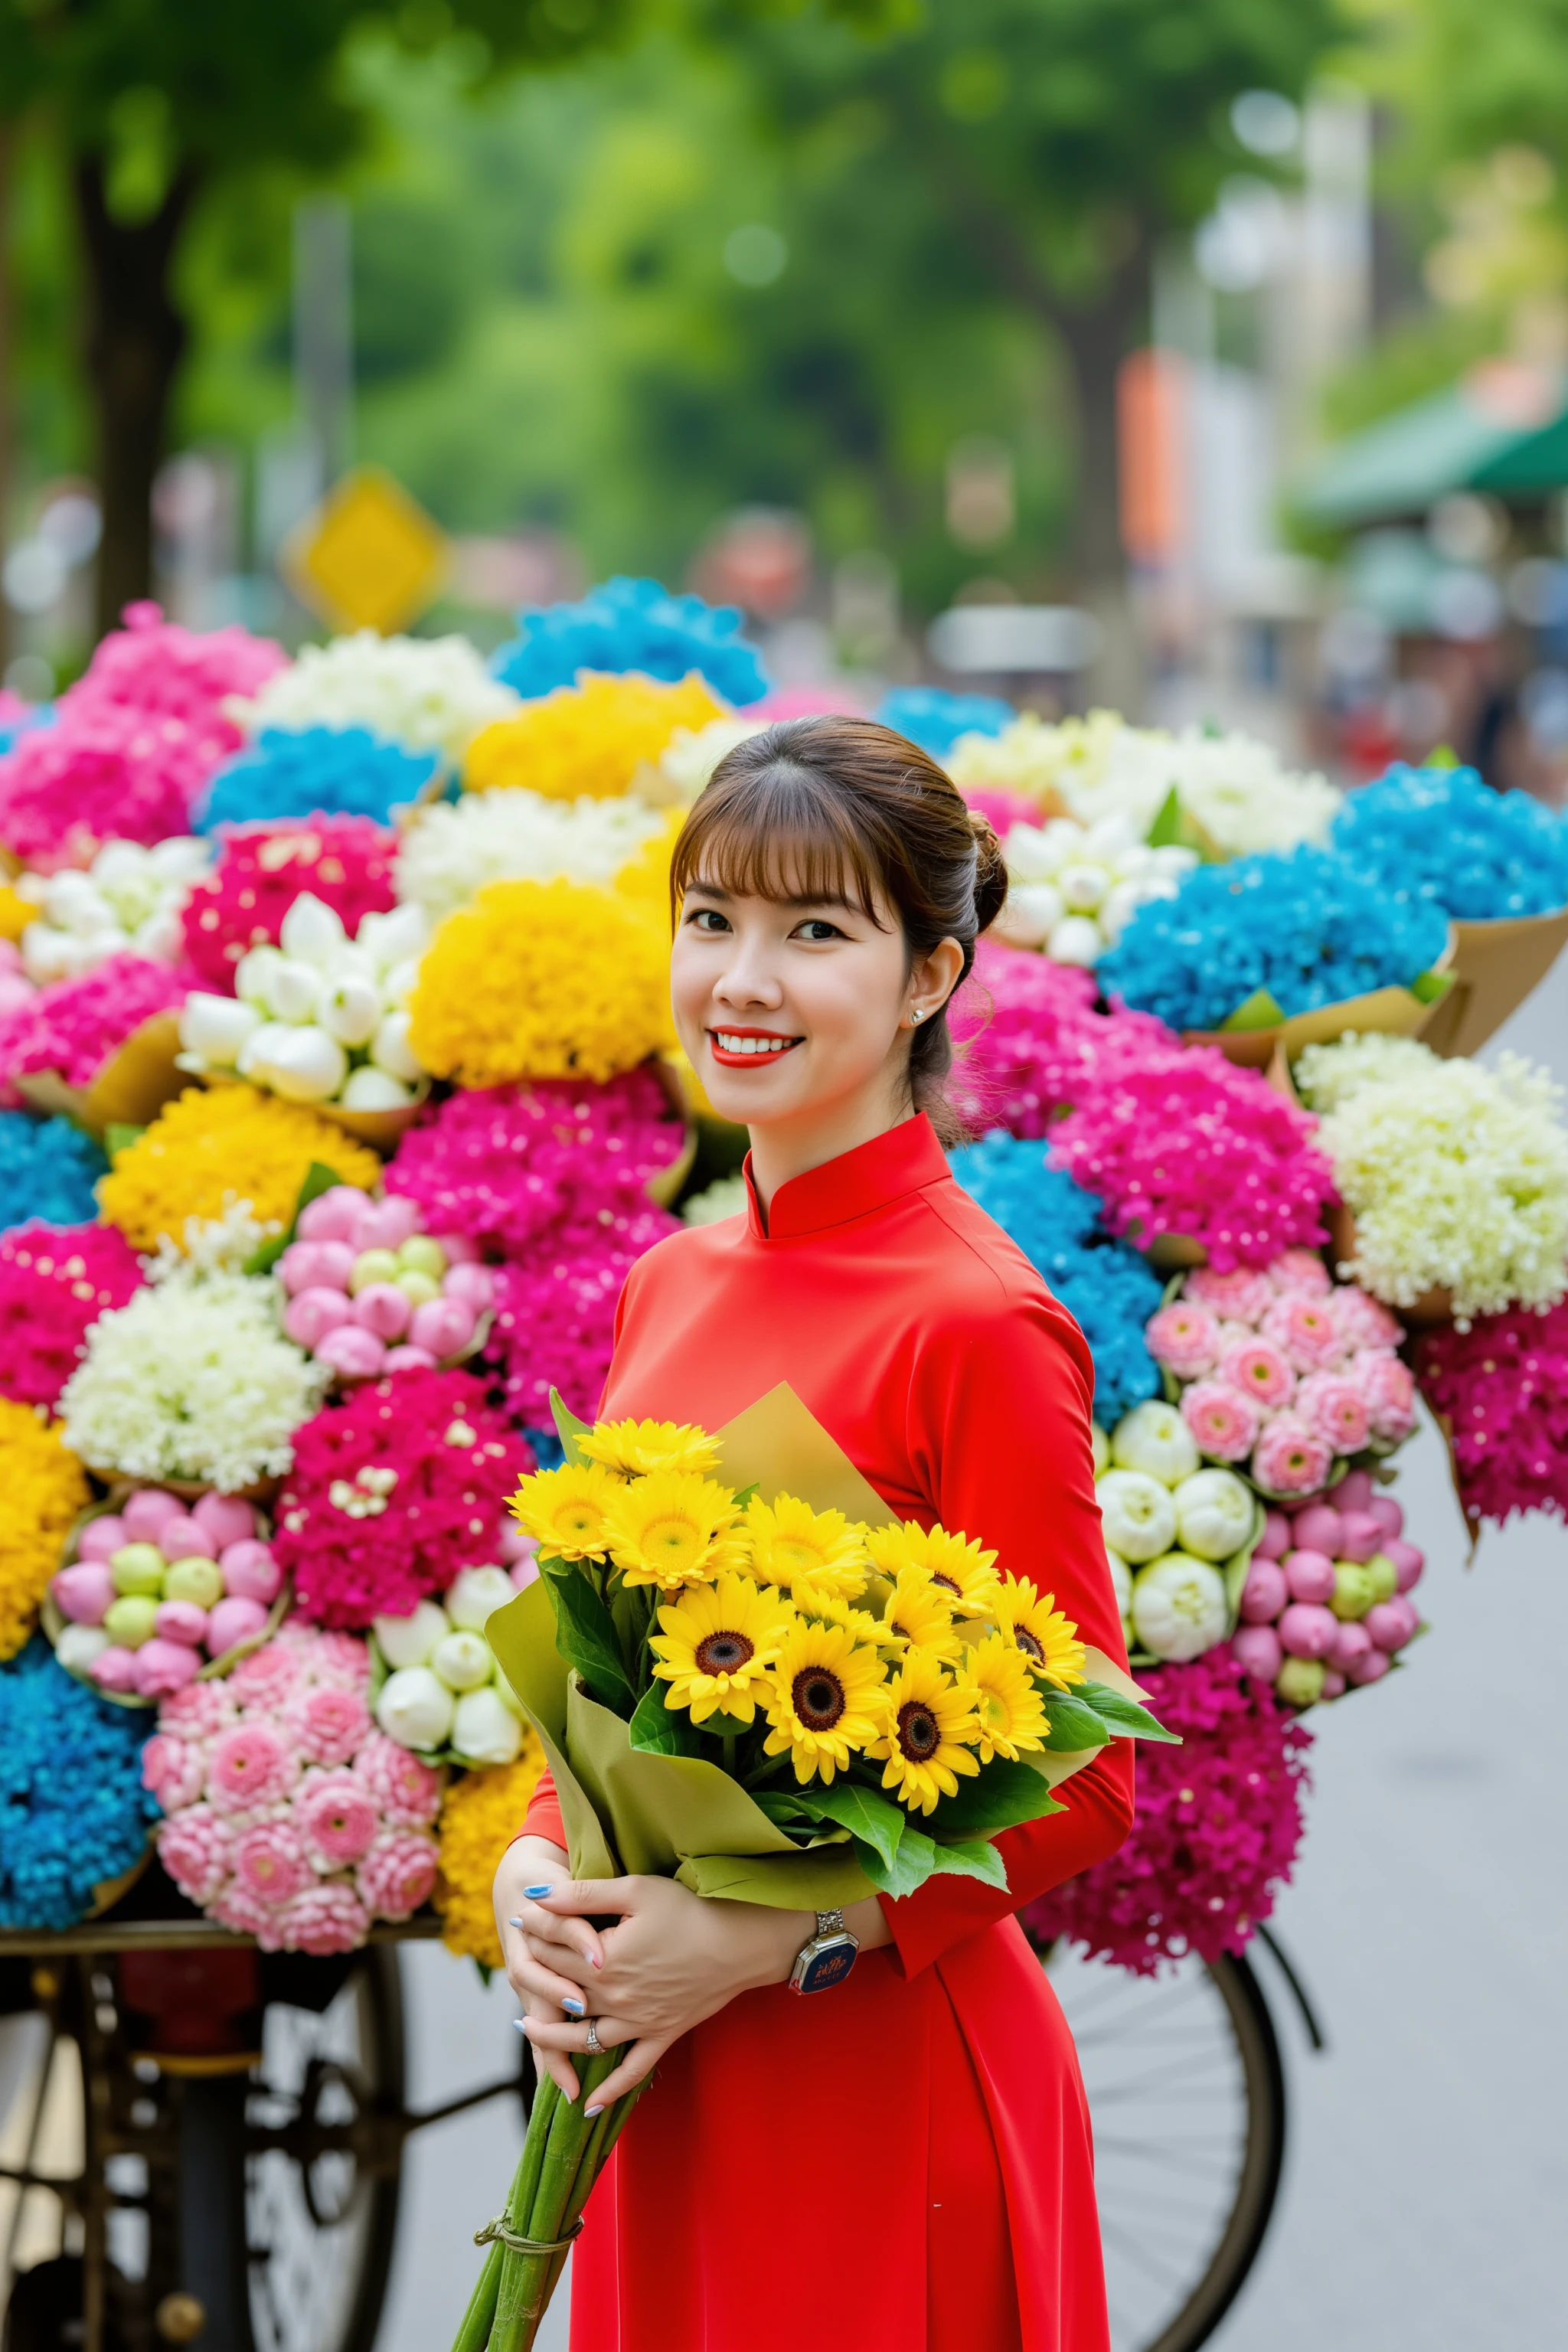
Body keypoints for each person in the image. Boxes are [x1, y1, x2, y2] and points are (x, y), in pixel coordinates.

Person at [493, 716, 1135, 2352]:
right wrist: (532, 1873)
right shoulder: (671, 1281)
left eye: (814, 931)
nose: (742, 980)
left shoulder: (981, 1324)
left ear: (929, 976)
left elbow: (1087, 1785)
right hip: (669, 2087)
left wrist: (768, 1943)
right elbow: (599, 1686)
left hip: (883, 2094)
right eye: (711, 919)